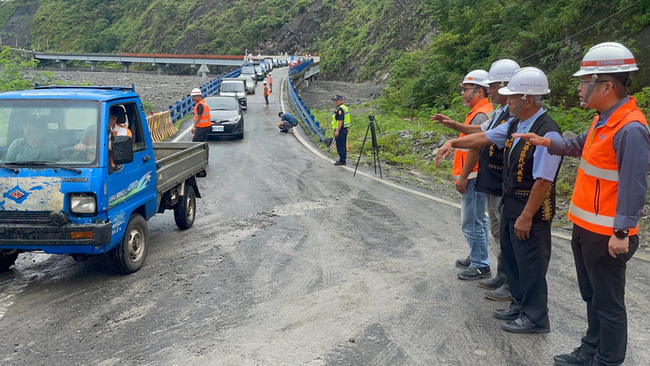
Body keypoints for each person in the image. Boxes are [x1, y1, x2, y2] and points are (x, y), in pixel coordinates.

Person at [515, 42, 649, 366]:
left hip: (607, 235)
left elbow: (634, 185)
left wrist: (621, 231)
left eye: (583, 81)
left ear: (606, 86)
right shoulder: (603, 119)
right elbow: (577, 146)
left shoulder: (630, 128)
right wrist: (547, 141)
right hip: (587, 228)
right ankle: (591, 349)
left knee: (608, 301)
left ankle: (607, 359)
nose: (578, 87)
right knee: (592, 296)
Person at [436, 67, 562, 333]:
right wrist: (453, 142)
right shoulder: (516, 123)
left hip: (531, 209)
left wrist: (527, 216)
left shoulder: (547, 133)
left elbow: (543, 181)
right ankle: (520, 304)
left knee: (531, 263)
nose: (508, 101)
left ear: (527, 100)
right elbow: (484, 137)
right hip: (511, 202)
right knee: (514, 258)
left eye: (513, 97)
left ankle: (536, 317)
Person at [431, 70, 494, 280]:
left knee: (471, 221)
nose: (462, 93)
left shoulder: (482, 113)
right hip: (474, 174)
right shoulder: (479, 111)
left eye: (466, 89)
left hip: (474, 175)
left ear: (479, 90)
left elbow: (476, 146)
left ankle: (480, 265)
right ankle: (477, 255)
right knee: (479, 220)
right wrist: (454, 125)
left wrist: (465, 176)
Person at [332, 95, 350, 166]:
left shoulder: (340, 109)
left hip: (341, 129)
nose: (335, 102)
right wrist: (347, 127)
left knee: (340, 145)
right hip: (344, 128)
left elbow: (341, 120)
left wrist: (337, 131)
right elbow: (346, 119)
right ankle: (342, 159)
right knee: (342, 144)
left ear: (341, 100)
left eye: (337, 100)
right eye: (335, 101)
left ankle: (342, 160)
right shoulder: (344, 108)